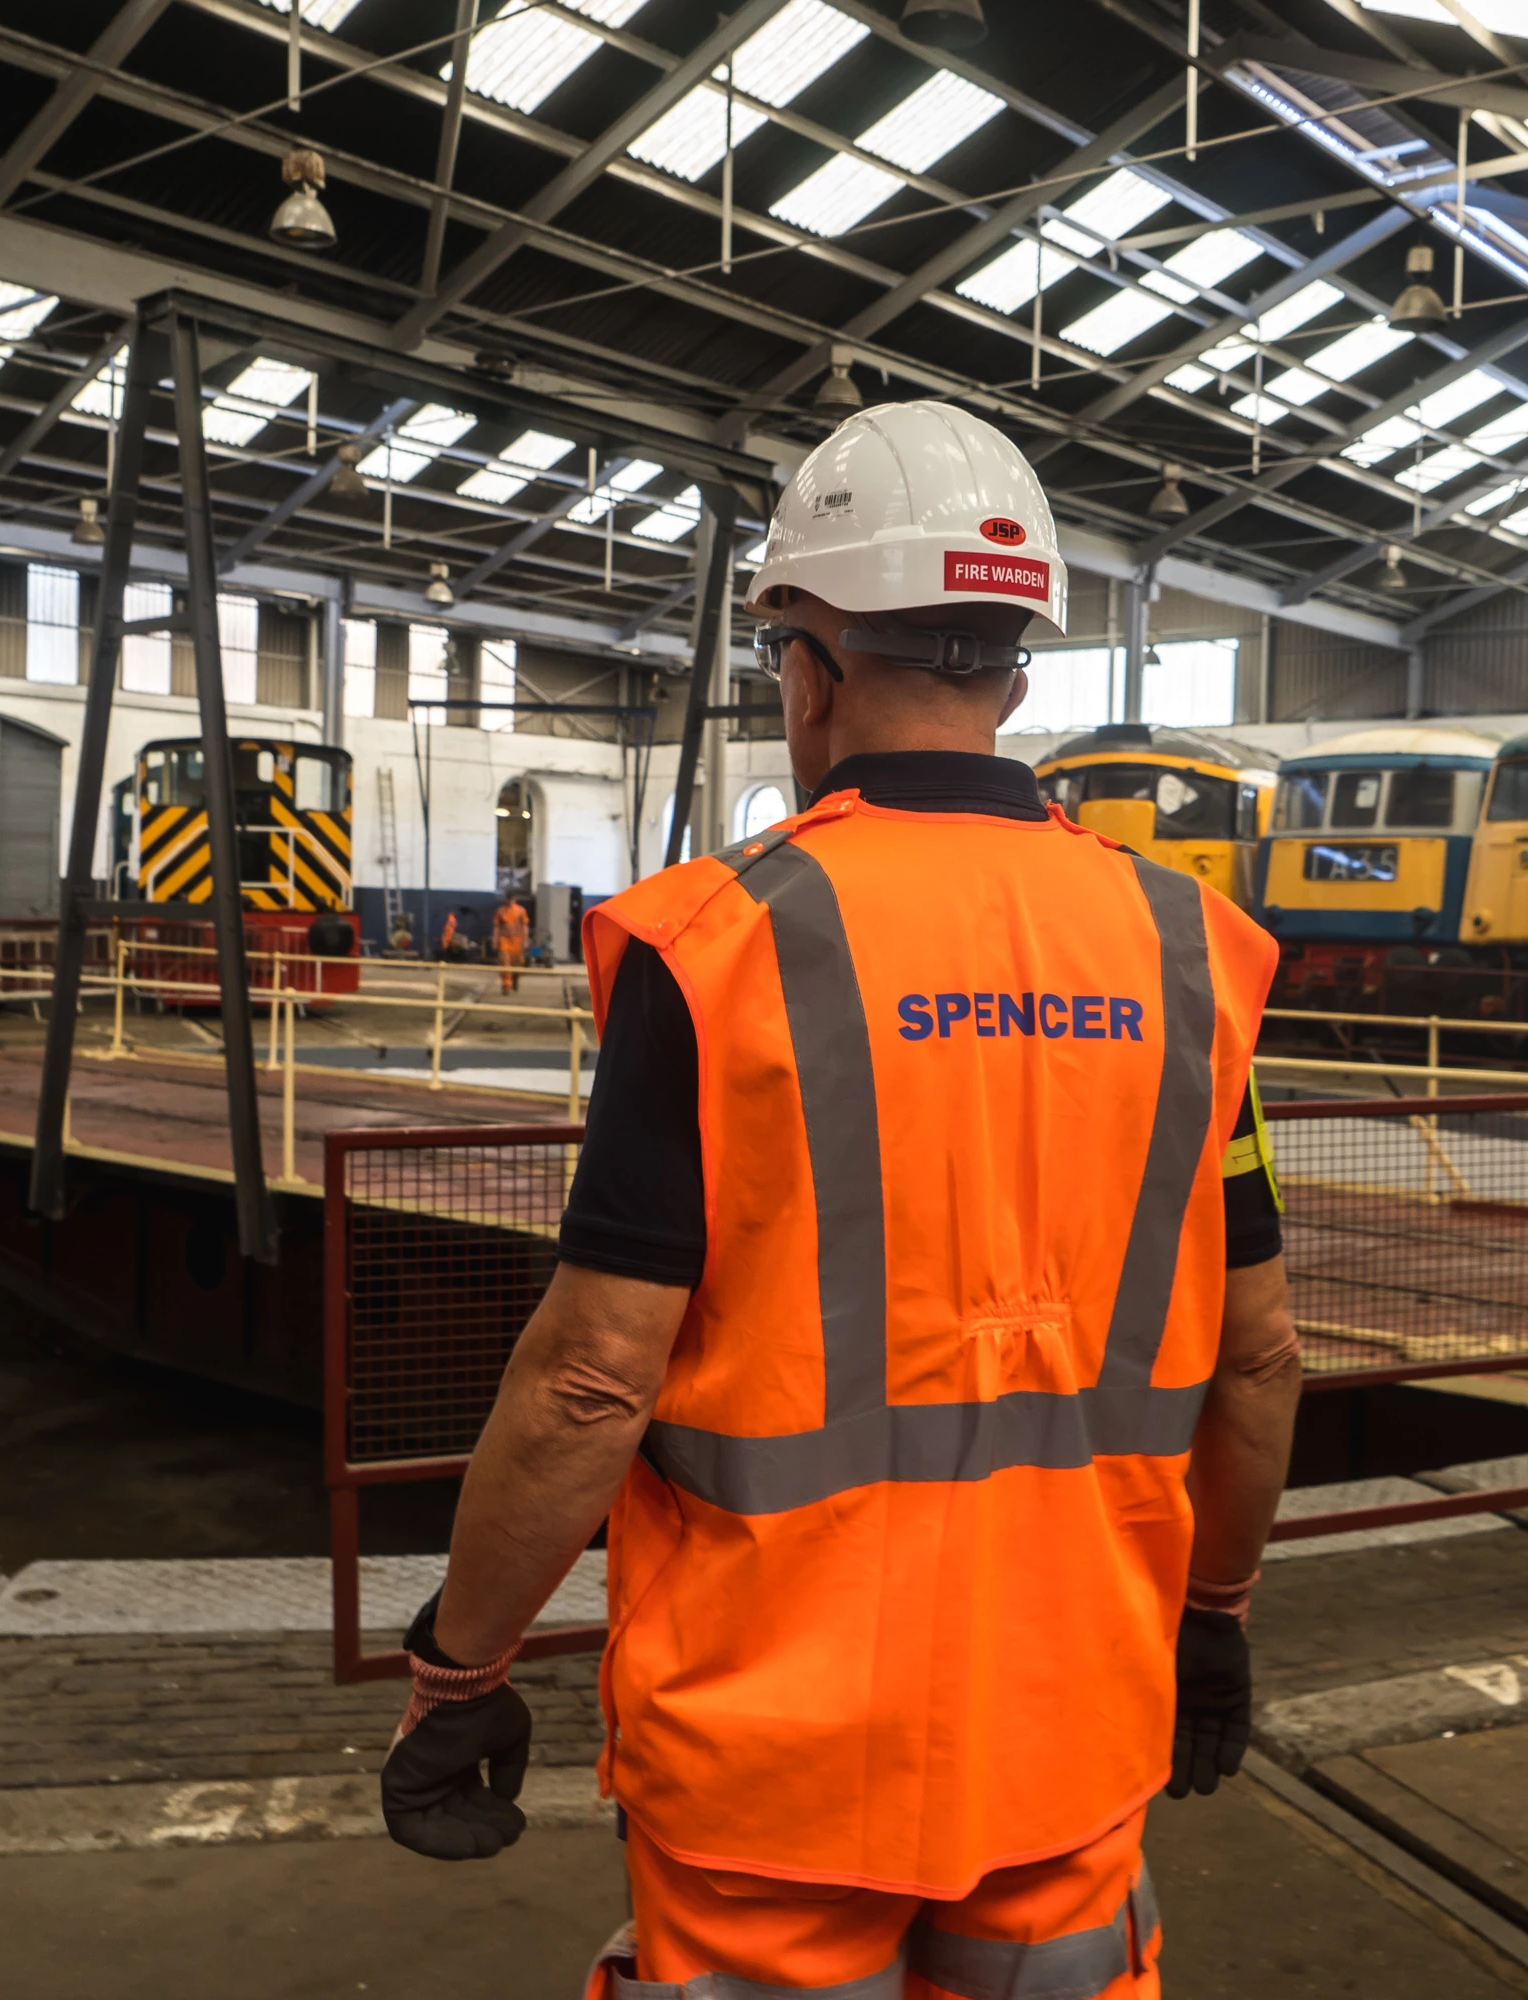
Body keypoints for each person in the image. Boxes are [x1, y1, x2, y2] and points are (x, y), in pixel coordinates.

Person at [379, 401, 1302, 2000]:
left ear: (803, 668)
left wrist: (463, 1662)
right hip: (1078, 1709)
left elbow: (594, 1377)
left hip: (773, 1754)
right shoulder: (1183, 950)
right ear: (1014, 672)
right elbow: (1264, 1355)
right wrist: (1211, 1607)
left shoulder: (717, 944)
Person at [491, 892, 530, 994]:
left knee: (518, 963)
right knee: (505, 963)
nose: (510, 901)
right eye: (508, 899)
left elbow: (524, 926)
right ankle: (506, 985)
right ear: (506, 899)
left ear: (515, 899)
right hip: (504, 940)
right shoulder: (500, 911)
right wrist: (495, 940)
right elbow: (497, 927)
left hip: (517, 940)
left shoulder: (521, 911)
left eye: (512, 899)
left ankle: (515, 979)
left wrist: (525, 940)